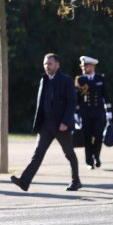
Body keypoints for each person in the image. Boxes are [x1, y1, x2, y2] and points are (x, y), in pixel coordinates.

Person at [10, 53, 82, 192]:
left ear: (57, 64)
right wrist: (39, 123)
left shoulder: (66, 80)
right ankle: (25, 181)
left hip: (61, 125)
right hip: (46, 125)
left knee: (69, 153)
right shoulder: (44, 79)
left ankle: (76, 180)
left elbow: (72, 103)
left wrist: (66, 122)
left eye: (49, 63)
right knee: (38, 153)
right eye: (45, 63)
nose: (46, 66)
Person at [75, 56, 113, 169]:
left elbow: (106, 96)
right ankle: (89, 161)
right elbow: (76, 98)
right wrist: (75, 114)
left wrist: (109, 112)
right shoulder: (80, 80)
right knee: (87, 137)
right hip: (85, 113)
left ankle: (96, 156)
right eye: (82, 66)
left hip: (98, 112)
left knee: (98, 135)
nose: (83, 67)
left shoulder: (100, 78)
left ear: (92, 66)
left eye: (85, 65)